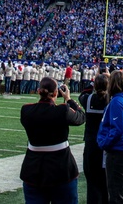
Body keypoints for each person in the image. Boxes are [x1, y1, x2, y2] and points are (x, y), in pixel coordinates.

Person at [20, 75, 86, 204]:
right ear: (56, 93)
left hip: (33, 169)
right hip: (61, 169)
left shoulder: (26, 110)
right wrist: (68, 99)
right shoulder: (62, 110)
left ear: (39, 91)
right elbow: (81, 117)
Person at [98, 69, 123, 204]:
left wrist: (104, 143)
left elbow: (117, 129)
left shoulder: (117, 102)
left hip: (119, 150)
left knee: (117, 194)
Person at [80, 73, 110, 204]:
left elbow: (83, 93)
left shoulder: (88, 99)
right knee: (106, 182)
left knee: (92, 181)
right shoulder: (112, 100)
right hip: (107, 145)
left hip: (91, 145)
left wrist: (94, 81)